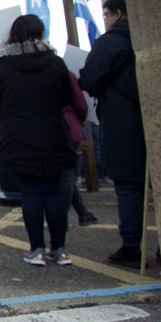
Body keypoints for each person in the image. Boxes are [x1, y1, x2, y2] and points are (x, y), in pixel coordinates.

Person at [0, 16, 76, 265]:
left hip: (18, 134)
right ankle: (60, 249)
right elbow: (67, 95)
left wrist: (9, 116)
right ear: (41, 33)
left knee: (31, 193)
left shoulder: (1, 65)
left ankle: (37, 250)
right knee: (54, 193)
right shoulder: (55, 63)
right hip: (53, 132)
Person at [79, 0, 147, 267]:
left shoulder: (111, 42)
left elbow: (90, 79)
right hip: (152, 119)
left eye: (106, 14)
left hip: (123, 122)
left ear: (119, 14)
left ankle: (131, 245)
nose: (104, 19)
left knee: (129, 185)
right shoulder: (151, 34)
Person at [63, 71, 98, 227]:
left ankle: (81, 213)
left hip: (39, 129)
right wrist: (77, 122)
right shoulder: (63, 72)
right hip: (68, 126)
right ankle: (80, 213)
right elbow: (81, 105)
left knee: (63, 175)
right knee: (66, 174)